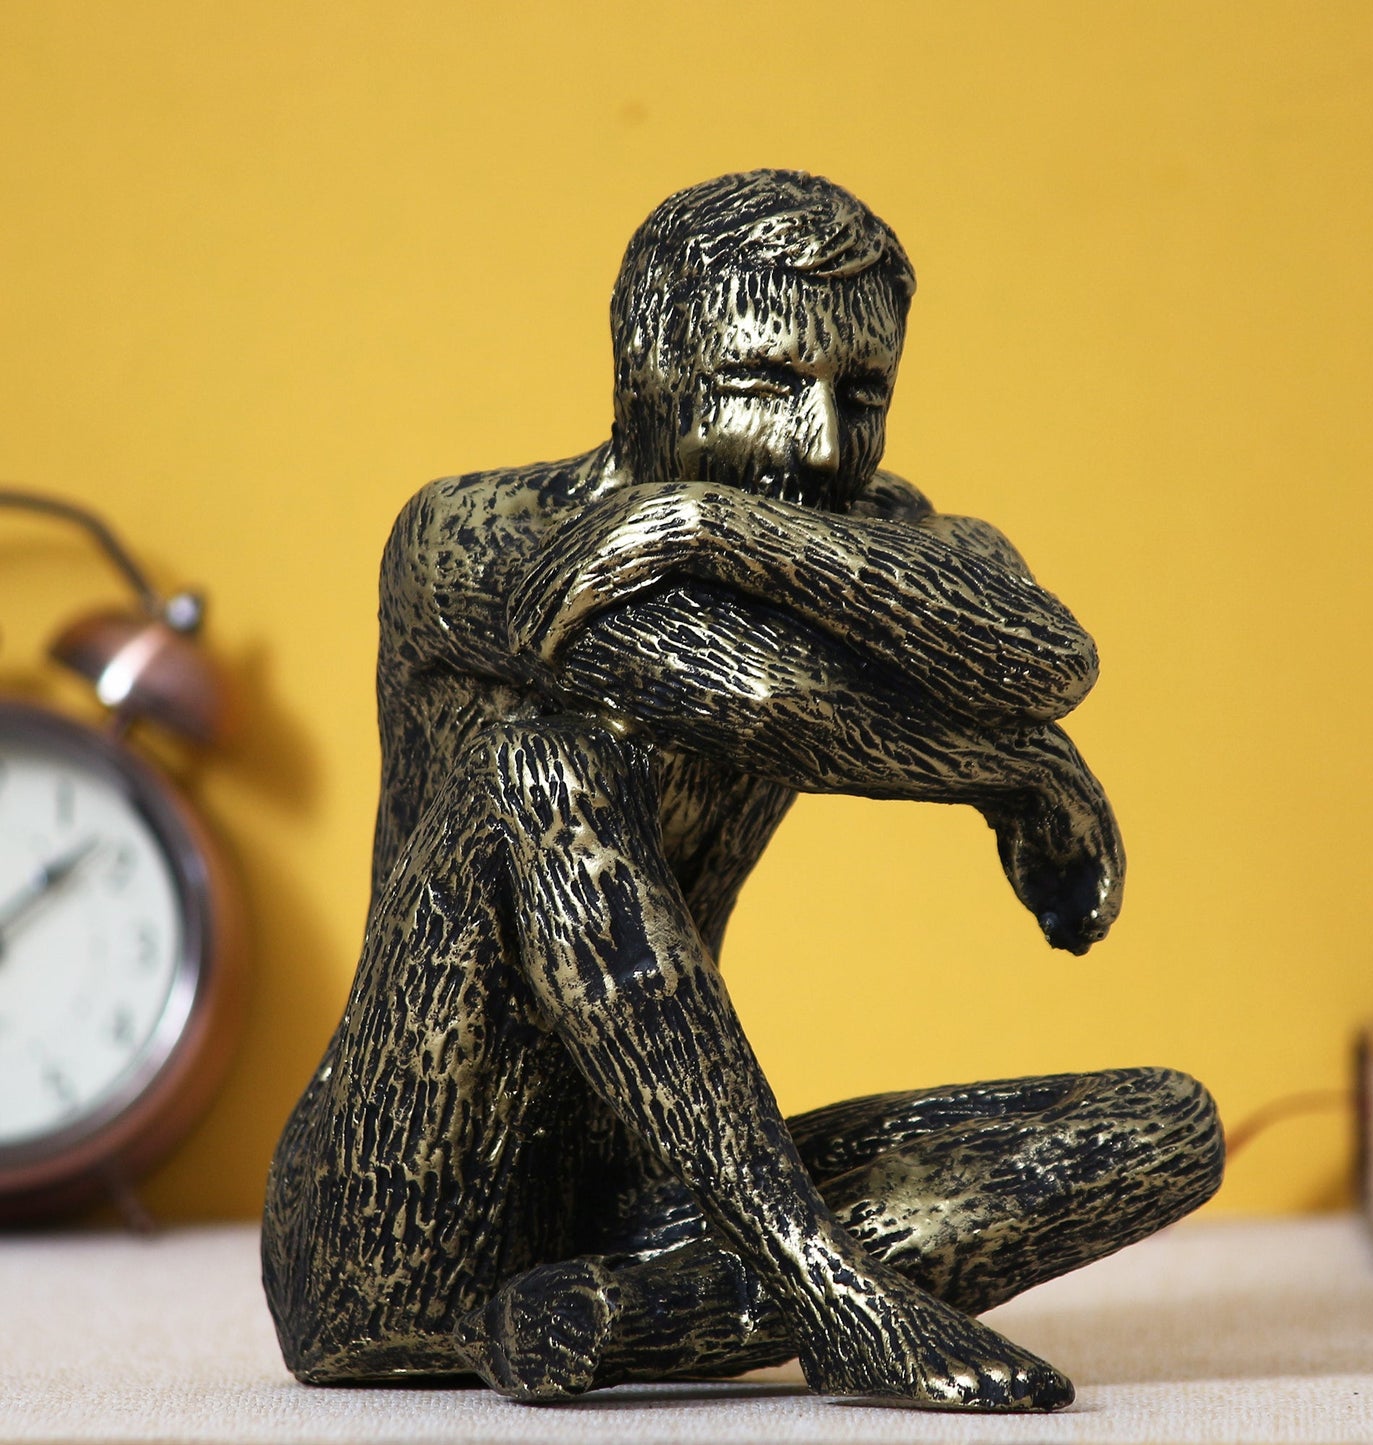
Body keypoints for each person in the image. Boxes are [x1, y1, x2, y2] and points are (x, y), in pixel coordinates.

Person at [262, 170, 1222, 1411]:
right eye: (765, 385)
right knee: (537, 761)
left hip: (648, 1189)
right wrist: (1025, 768)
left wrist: (714, 525)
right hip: (395, 1221)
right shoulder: (469, 537)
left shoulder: (845, 532)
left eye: (860, 396)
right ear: (645, 372)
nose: (818, 445)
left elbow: (1046, 655)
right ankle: (828, 1292)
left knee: (1157, 1128)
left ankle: (618, 1318)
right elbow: (754, 695)